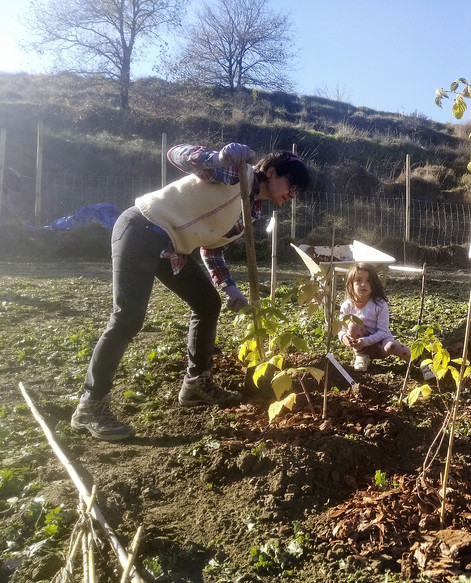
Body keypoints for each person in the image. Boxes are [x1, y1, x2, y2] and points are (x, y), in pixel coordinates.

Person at [71, 143, 310, 442]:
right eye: (293, 184)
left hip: (170, 249)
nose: (293, 194)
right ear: (272, 172)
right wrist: (217, 157)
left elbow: (212, 248)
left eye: (298, 191)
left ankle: (196, 383)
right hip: (142, 229)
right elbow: (178, 155)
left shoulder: (250, 213)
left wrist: (229, 288)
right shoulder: (236, 174)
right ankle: (90, 405)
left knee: (208, 303)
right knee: (128, 317)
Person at [338, 262, 434, 379]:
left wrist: (365, 340)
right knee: (353, 326)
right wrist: (344, 338)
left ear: (374, 283)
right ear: (350, 283)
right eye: (358, 280)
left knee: (392, 346)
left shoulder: (379, 304)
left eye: (368, 281)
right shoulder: (347, 306)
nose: (364, 284)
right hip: (361, 346)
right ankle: (361, 356)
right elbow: (341, 329)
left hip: (381, 344)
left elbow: (383, 331)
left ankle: (421, 362)